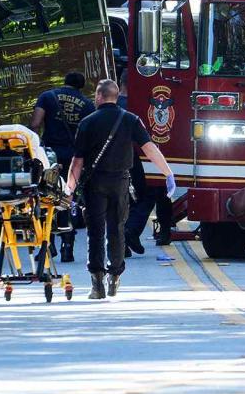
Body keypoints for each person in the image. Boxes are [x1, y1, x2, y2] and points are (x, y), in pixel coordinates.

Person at [67, 79, 175, 299]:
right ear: (116, 97)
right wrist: (168, 173)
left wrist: (69, 189)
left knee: (95, 232)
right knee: (116, 229)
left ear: (98, 96)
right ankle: (114, 279)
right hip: (120, 182)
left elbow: (77, 161)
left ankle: (97, 284)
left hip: (94, 184)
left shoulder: (87, 122)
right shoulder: (130, 120)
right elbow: (150, 149)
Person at [29, 72, 94, 263]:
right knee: (67, 198)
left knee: (45, 198)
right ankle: (68, 246)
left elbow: (34, 124)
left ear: (64, 82)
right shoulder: (88, 104)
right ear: (81, 86)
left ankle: (47, 244)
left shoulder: (48, 96)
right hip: (74, 157)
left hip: (50, 156)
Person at [119, 71, 173, 254]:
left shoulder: (112, 105)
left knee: (125, 201)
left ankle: (123, 243)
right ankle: (132, 233)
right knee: (152, 194)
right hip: (139, 155)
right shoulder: (139, 106)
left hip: (114, 159)